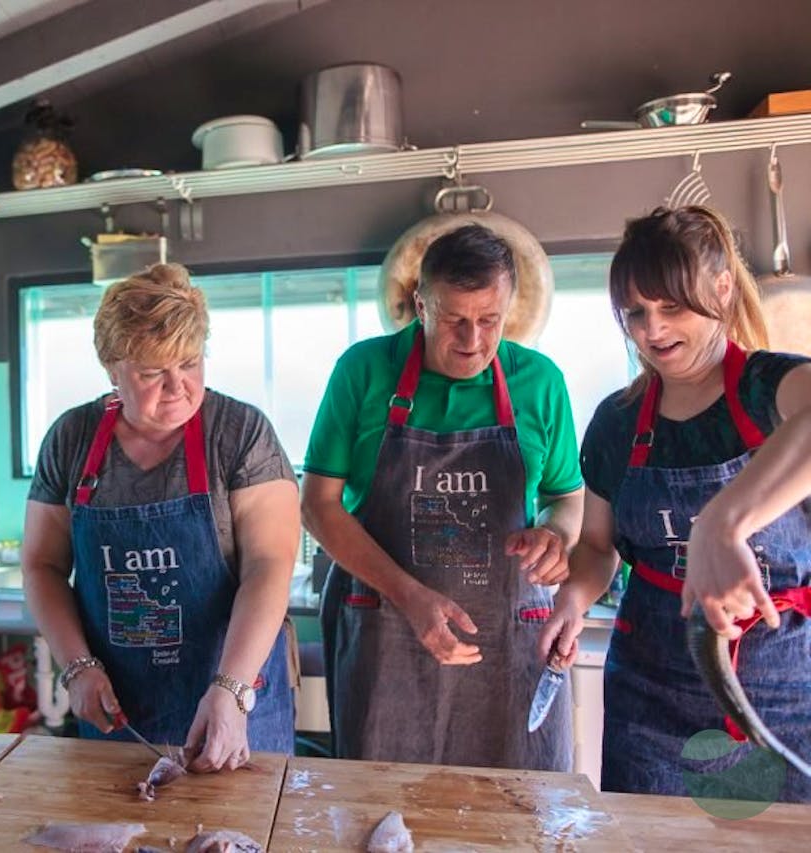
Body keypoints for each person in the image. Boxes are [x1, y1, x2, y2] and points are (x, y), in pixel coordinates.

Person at [540, 205, 811, 801]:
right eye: (635, 312)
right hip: (651, 692)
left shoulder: (772, 388)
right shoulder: (616, 422)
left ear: (721, 289)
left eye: (672, 307)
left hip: (787, 688)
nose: (652, 330)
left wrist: (723, 522)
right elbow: (597, 547)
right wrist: (573, 599)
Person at [302, 223, 584, 770]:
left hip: (508, 643)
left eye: (489, 320)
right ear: (420, 305)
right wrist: (409, 596)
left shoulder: (540, 382)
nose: (472, 339)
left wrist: (555, 533)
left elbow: (566, 499)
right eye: (454, 319)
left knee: (518, 802)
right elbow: (317, 506)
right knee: (382, 800)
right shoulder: (363, 371)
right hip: (386, 636)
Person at [22, 262, 298, 771]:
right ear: (112, 369)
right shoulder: (71, 438)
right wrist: (77, 667)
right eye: (152, 373)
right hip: (119, 710)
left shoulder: (240, 433)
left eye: (189, 363)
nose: (177, 386)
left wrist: (231, 689)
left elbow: (269, 565)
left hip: (234, 700)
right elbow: (42, 565)